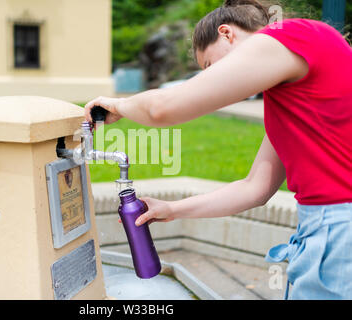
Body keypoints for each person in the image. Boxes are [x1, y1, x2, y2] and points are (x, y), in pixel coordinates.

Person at [84, 0, 352, 299]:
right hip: (325, 228)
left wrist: (118, 105)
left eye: (210, 67)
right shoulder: (290, 94)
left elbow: (165, 109)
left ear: (226, 34)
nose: (211, 78)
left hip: (338, 230)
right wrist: (172, 209)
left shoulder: (291, 35)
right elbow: (255, 188)